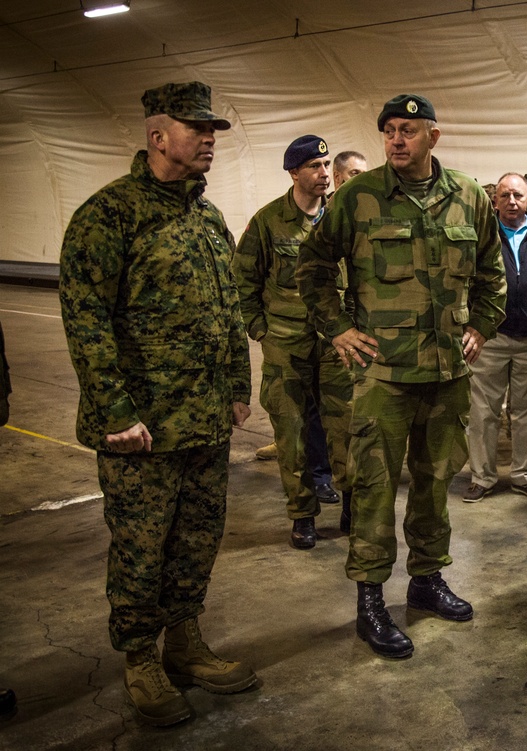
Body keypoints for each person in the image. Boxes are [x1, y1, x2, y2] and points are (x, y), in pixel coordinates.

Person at [59, 81, 257, 727]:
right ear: (157, 136)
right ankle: (140, 655)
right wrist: (116, 412)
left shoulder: (208, 218)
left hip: (201, 419)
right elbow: (86, 320)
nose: (209, 139)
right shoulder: (109, 215)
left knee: (197, 538)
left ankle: (186, 640)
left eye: (214, 130)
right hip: (141, 428)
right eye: (197, 128)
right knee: (142, 546)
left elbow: (228, 310)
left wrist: (236, 384)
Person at [296, 93, 506, 659]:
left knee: (437, 479)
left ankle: (428, 579)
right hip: (382, 373)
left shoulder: (468, 196)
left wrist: (481, 326)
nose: (395, 139)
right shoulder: (358, 197)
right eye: (388, 129)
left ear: (433, 136)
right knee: (373, 486)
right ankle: (370, 599)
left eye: (408, 129)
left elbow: (492, 271)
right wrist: (337, 328)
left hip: (446, 372)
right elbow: (312, 267)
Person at [233, 135, 354, 550]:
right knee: (293, 433)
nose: (324, 174)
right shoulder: (269, 222)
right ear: (294, 173)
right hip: (287, 345)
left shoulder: (342, 217)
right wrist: (259, 328)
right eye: (315, 167)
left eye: (326, 166)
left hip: (337, 344)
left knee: (348, 429)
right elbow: (243, 281)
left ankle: (352, 502)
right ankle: (302, 515)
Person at [464, 173, 527, 503]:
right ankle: (482, 477)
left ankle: (525, 475)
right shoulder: (480, 235)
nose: (511, 201)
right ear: (494, 200)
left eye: (518, 196)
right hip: (489, 339)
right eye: (505, 195)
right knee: (483, 414)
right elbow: (464, 283)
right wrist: (470, 327)